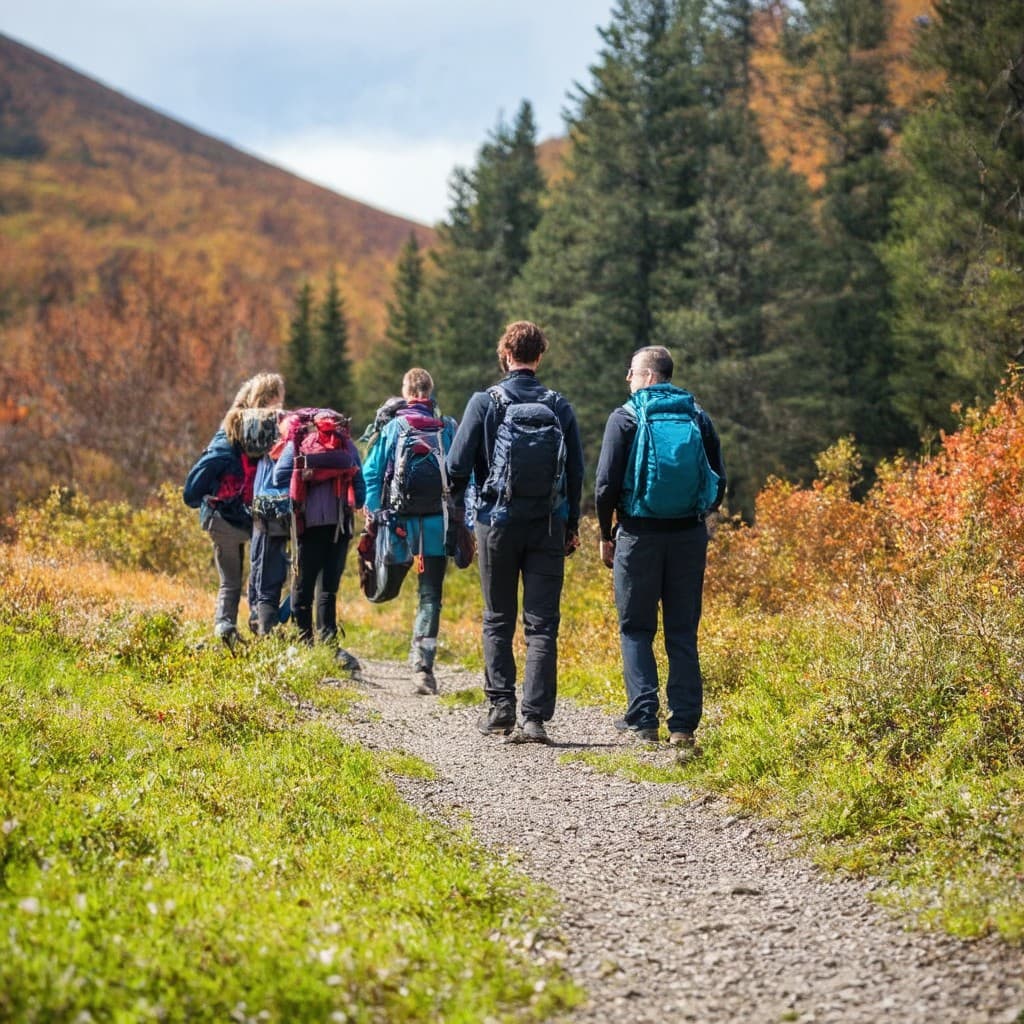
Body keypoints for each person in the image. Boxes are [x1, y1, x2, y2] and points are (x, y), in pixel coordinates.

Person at [446, 320, 584, 744]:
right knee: (542, 624)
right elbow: (577, 471)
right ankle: (535, 719)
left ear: (506, 355)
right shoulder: (558, 406)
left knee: (498, 617)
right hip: (547, 525)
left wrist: (463, 520)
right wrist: (571, 525)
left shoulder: (483, 402)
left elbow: (455, 468)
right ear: (539, 357)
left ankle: (501, 708)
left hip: (496, 526)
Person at [594, 345, 726, 748]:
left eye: (631, 372)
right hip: (688, 534)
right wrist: (702, 513)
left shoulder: (626, 417)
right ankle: (683, 726)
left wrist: (605, 534)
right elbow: (718, 478)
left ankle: (644, 719)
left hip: (638, 535)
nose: (628, 379)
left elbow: (604, 485)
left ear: (648, 375)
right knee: (682, 631)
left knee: (636, 628)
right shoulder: (697, 416)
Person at [361, 368, 457, 695]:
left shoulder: (393, 428)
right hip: (435, 526)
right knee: (430, 594)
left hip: (397, 526)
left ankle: (401, 651)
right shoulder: (447, 427)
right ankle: (422, 667)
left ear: (405, 392)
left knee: (386, 584)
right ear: (430, 391)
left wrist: (374, 514)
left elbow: (371, 473)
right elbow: (460, 476)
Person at [183, 372, 286, 651]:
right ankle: (259, 619)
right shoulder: (272, 433)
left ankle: (225, 625)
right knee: (261, 570)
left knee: (229, 581)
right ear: (271, 400)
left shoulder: (229, 431)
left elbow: (193, 488)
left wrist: (197, 500)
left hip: (221, 518)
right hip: (256, 517)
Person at [273, 407, 365, 671]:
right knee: (328, 589)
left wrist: (305, 481)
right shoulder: (345, 443)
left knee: (302, 587)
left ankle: (303, 643)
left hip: (308, 525)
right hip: (340, 525)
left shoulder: (300, 442)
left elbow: (280, 476)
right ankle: (329, 643)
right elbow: (360, 493)